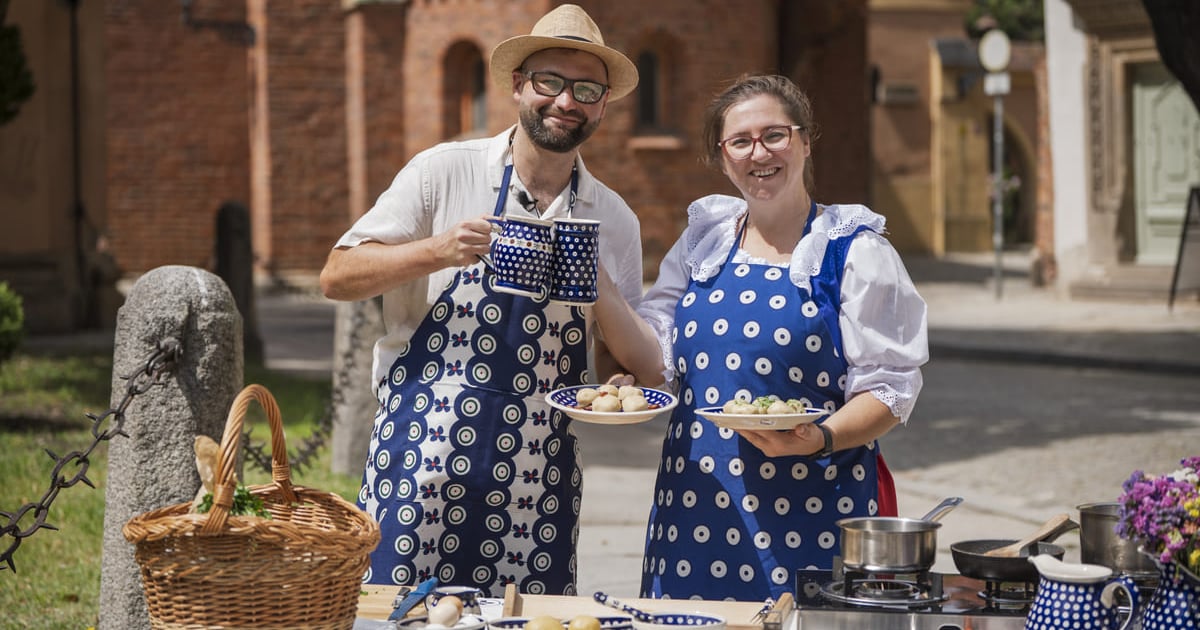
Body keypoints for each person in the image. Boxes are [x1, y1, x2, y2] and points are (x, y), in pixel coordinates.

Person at [318, 4, 643, 596]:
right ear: (519, 85)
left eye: (587, 89)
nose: (565, 102)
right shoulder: (442, 171)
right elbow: (337, 276)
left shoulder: (613, 218)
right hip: (420, 451)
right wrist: (436, 250)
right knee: (396, 611)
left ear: (603, 104)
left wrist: (616, 368)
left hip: (539, 469)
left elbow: (625, 360)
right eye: (550, 82)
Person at [594, 74, 929, 601]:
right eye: (740, 142)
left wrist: (819, 438)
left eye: (775, 134)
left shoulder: (852, 251)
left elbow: (889, 389)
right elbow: (656, 363)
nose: (759, 153)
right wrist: (597, 285)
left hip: (815, 504)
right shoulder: (703, 242)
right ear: (723, 157)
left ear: (804, 141)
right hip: (696, 503)